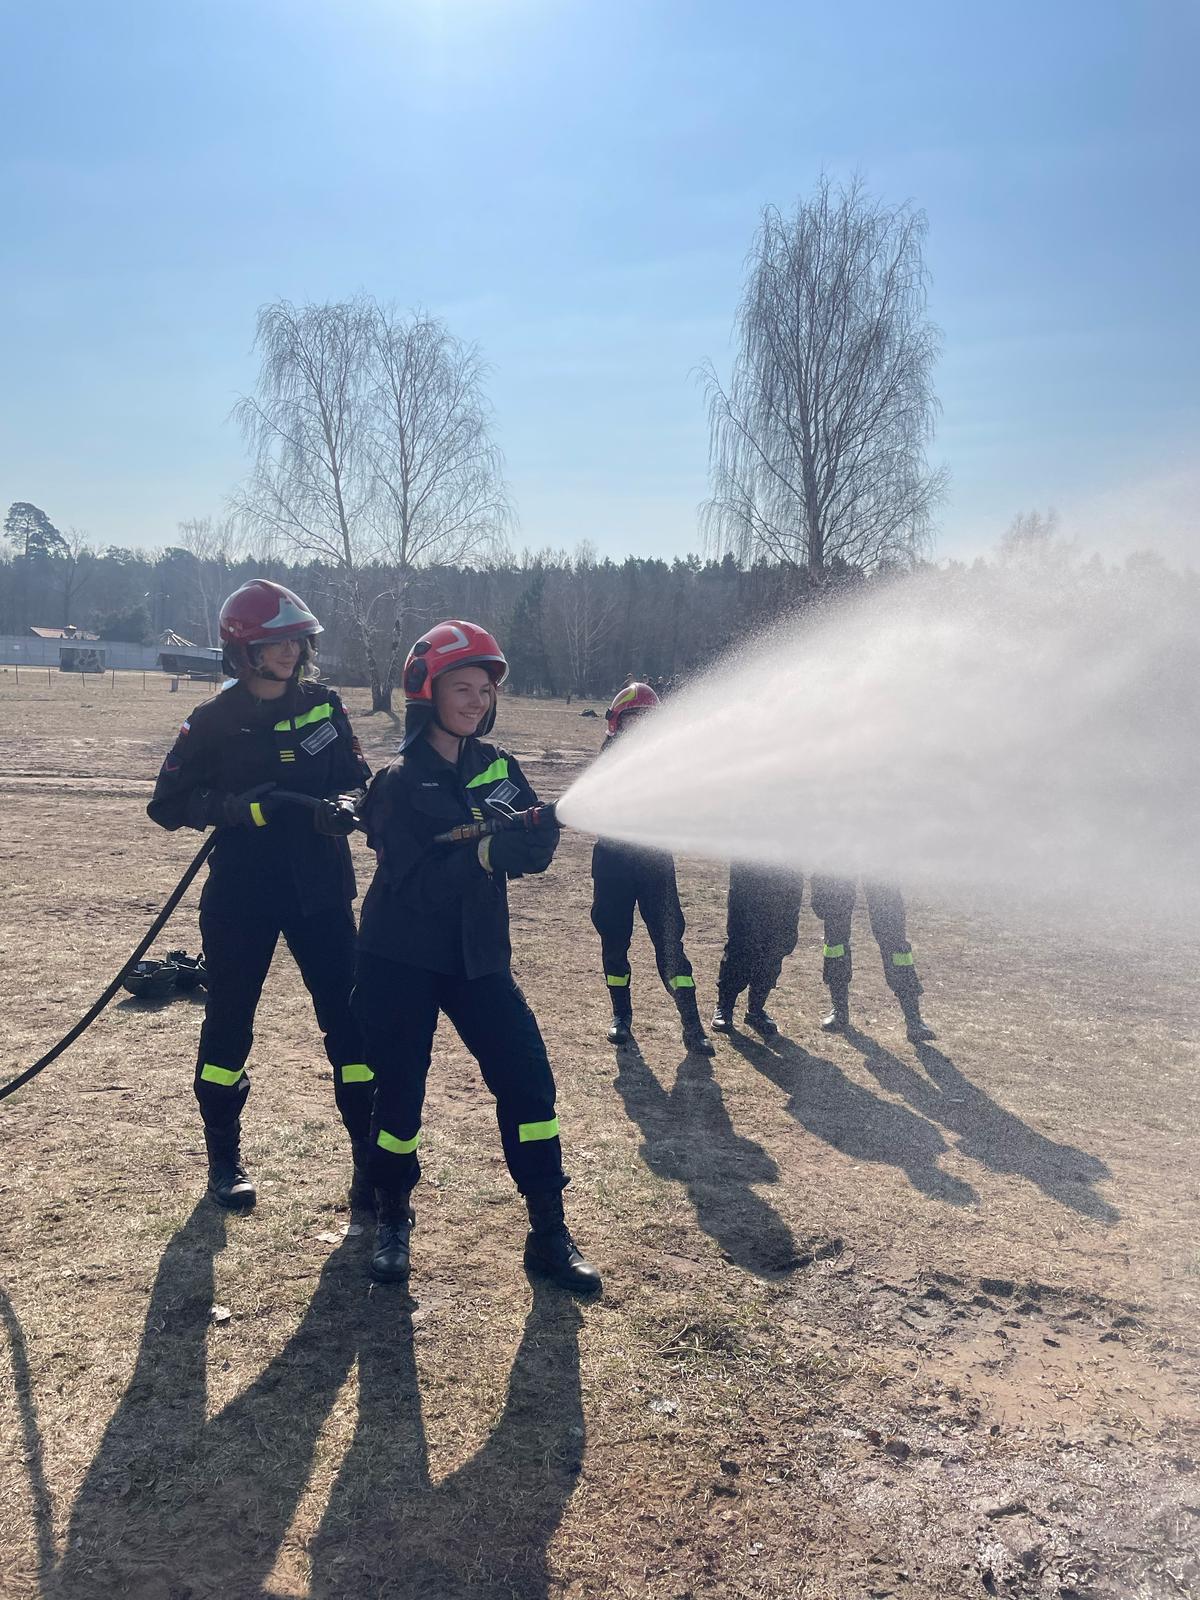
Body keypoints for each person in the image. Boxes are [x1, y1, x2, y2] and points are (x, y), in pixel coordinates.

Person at [352, 620, 600, 1294]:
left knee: (529, 1083)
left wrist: (534, 838)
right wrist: (487, 853)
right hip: (399, 956)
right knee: (399, 1094)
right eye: (462, 687)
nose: (476, 701)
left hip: (479, 957)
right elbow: (414, 883)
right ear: (426, 691)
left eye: (485, 690)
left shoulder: (498, 766)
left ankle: (548, 1232)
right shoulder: (396, 783)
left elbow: (530, 844)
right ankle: (392, 1217)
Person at [147, 580, 374, 1210]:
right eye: (277, 642)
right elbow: (166, 804)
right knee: (229, 1023)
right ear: (243, 649)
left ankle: (369, 1160)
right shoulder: (212, 720)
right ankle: (223, 1160)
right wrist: (230, 809)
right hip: (242, 896)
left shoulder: (325, 705)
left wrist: (348, 804)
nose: (291, 651)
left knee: (351, 1023)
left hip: (321, 892)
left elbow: (359, 777)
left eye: (297, 640)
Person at [589, 683, 715, 1057]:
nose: (641, 727)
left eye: (648, 720)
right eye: (634, 719)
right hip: (612, 865)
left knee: (670, 943)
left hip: (654, 865)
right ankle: (621, 1016)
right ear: (617, 722)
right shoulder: (606, 762)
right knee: (614, 942)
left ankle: (692, 1026)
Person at [810, 875, 936, 1043]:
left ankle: (914, 1019)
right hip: (840, 869)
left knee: (894, 941)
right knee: (835, 941)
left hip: (879, 869)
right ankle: (839, 1011)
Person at [711, 863, 805, 1036]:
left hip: (788, 876)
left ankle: (755, 1011)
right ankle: (724, 1007)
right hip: (750, 876)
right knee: (741, 945)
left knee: (776, 946)